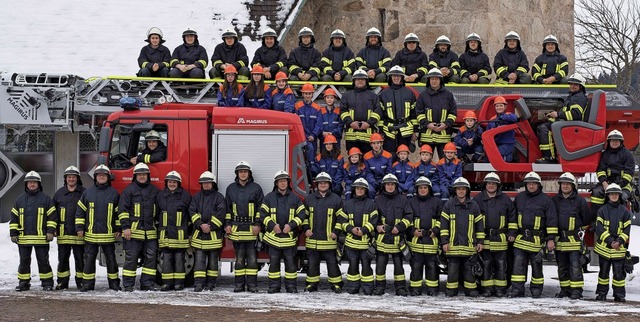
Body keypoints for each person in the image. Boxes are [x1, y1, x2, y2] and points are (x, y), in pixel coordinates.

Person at [509, 171, 557, 298]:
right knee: (518, 266)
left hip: (536, 239)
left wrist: (550, 239)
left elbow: (551, 220)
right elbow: (513, 217)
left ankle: (536, 291)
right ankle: (517, 290)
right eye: (529, 184)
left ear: (538, 185)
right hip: (520, 238)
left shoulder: (546, 200)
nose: (531, 186)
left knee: (537, 266)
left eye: (533, 184)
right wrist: (512, 233)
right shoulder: (520, 198)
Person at [75, 165, 121, 292]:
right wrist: (79, 227)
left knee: (111, 260)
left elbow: (118, 214)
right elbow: (80, 212)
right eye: (99, 175)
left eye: (104, 175)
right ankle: (88, 284)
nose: (101, 177)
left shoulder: (114, 193)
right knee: (89, 260)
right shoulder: (88, 193)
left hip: (108, 235)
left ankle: (114, 284)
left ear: (108, 177)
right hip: (90, 234)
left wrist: (118, 228)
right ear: (95, 177)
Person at [258, 170, 305, 294]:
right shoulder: (269, 197)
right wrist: (272, 225)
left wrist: (291, 225)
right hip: (273, 238)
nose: (283, 183)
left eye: (284, 181)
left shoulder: (295, 198)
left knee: (291, 265)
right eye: (280, 181)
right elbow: (262, 214)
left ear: (288, 183)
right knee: (274, 265)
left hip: (289, 238)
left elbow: (302, 214)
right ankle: (274, 287)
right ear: (276, 183)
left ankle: (291, 287)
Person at [10, 171, 57, 292]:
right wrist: (13, 233)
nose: (32, 184)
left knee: (43, 261)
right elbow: (14, 217)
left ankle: (47, 283)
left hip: (41, 238)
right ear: (26, 184)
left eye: (34, 182)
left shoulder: (46, 199)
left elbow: (52, 217)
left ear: (38, 184)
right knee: (24, 261)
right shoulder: (19, 200)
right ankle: (23, 283)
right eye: (30, 182)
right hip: (24, 238)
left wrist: (50, 231)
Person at [472, 172, 516, 297]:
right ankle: (486, 289)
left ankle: (500, 289)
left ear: (498, 185)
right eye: (489, 183)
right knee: (486, 264)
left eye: (493, 184)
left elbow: (512, 216)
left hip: (501, 238)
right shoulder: (478, 200)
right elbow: (473, 219)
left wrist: (512, 232)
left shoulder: (505, 199)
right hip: (484, 238)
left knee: (501, 264)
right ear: (485, 184)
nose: (491, 186)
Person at [119, 163, 160, 292]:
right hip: (133, 232)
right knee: (131, 259)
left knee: (151, 259)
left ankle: (147, 284)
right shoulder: (128, 191)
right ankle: (128, 285)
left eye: (144, 174)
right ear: (135, 176)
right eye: (139, 174)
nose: (142, 176)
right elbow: (122, 211)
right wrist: (125, 228)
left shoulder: (154, 191)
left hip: (150, 232)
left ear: (148, 176)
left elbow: (159, 211)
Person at [224, 161, 264, 293]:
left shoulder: (256, 188)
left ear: (249, 173)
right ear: (237, 174)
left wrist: (258, 224)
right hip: (237, 227)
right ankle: (239, 285)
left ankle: (252, 285)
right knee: (239, 258)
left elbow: (260, 208)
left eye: (245, 171)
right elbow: (227, 209)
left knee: (252, 259)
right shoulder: (230, 188)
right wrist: (227, 224)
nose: (243, 174)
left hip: (252, 228)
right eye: (240, 171)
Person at [441, 177, 484, 297]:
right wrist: (444, 242)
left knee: (469, 270)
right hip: (453, 246)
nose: (461, 191)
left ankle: (470, 290)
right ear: (455, 191)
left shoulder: (473, 205)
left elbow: (479, 225)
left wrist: (480, 241)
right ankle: (451, 290)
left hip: (469, 246)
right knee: (453, 270)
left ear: (467, 191)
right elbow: (444, 226)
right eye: (458, 189)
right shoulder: (448, 205)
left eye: (463, 189)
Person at [302, 172, 344, 293]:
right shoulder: (309, 199)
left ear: (329, 184)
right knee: (312, 264)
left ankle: (336, 284)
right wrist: (306, 229)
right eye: (321, 183)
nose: (323, 185)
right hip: (313, 240)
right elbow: (303, 216)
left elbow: (341, 218)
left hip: (329, 240)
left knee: (332, 263)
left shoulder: (336, 199)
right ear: (317, 185)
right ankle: (311, 284)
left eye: (325, 183)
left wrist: (336, 232)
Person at [552, 172, 590, 300]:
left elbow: (586, 220)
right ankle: (565, 290)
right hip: (560, 240)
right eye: (563, 184)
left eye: (568, 184)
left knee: (575, 267)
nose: (565, 186)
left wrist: (578, 232)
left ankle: (576, 291)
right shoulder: (555, 201)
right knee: (562, 267)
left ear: (573, 186)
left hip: (574, 240)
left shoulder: (580, 201)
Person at [373, 174, 413, 296]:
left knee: (398, 265)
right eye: (388, 184)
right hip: (382, 237)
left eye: (392, 184)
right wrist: (377, 226)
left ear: (396, 185)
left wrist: (400, 227)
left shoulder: (403, 199)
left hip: (397, 237)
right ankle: (379, 287)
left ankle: (400, 287)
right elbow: (373, 216)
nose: (390, 187)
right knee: (380, 265)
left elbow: (409, 215)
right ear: (384, 186)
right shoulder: (378, 199)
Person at [337, 178, 378, 295]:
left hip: (366, 242)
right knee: (353, 265)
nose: (360, 190)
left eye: (362, 189)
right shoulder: (347, 204)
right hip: (351, 243)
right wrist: (351, 229)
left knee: (366, 266)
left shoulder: (372, 204)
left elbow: (374, 220)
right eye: (358, 188)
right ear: (354, 190)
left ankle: (367, 287)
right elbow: (342, 221)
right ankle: (353, 287)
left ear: (366, 190)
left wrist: (364, 230)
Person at [536, 73, 588, 163]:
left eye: (575, 84)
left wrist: (558, 115)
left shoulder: (578, 98)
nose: (572, 86)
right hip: (568, 123)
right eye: (571, 84)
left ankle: (549, 158)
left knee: (544, 128)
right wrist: (551, 117)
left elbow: (576, 115)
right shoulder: (573, 96)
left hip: (573, 125)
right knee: (542, 125)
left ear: (581, 86)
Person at [189, 171, 227, 292]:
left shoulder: (219, 197)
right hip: (200, 234)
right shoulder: (197, 197)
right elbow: (192, 212)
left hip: (214, 235)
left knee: (212, 262)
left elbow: (221, 214)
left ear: (212, 184)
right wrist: (201, 225)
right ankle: (198, 284)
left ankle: (211, 283)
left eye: (208, 183)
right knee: (199, 261)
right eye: (204, 183)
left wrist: (210, 226)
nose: (206, 185)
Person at [594, 183, 631, 302]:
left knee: (619, 274)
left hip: (618, 249)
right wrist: (610, 241)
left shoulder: (625, 212)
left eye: (616, 194)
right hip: (605, 247)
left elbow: (627, 230)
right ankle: (601, 293)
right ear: (608, 195)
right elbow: (599, 228)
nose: (614, 196)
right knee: (603, 273)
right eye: (611, 194)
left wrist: (619, 242)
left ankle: (619, 294)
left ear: (619, 196)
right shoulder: (602, 210)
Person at [156, 171, 192, 291]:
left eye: (174, 182)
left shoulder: (185, 196)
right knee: (166, 259)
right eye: (170, 182)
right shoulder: (160, 195)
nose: (172, 184)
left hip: (180, 234)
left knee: (179, 259)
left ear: (178, 183)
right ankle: (167, 283)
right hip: (165, 233)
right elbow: (156, 213)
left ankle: (179, 283)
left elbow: (189, 214)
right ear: (166, 183)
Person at [407, 177, 442, 296]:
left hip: (431, 240)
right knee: (416, 266)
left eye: (425, 188)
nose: (422, 190)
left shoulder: (436, 202)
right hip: (416, 241)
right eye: (420, 188)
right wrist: (412, 231)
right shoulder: (411, 202)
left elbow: (441, 219)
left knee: (432, 265)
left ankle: (432, 289)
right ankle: (415, 289)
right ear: (416, 189)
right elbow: (407, 218)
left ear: (429, 189)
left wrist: (436, 230)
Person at [591, 129, 636, 220]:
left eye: (617, 140)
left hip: (623, 184)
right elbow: (600, 170)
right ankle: (596, 220)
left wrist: (618, 186)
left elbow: (629, 173)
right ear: (609, 142)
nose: (614, 142)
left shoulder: (627, 155)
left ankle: (620, 221)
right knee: (596, 193)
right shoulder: (605, 155)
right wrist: (604, 183)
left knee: (622, 197)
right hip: (607, 183)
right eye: (612, 140)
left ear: (621, 142)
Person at [53, 166, 86, 290]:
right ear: (65, 179)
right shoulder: (59, 193)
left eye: (73, 177)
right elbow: (53, 213)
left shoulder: (84, 192)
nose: (71, 179)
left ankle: (81, 282)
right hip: (63, 233)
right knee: (62, 260)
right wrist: (54, 228)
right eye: (69, 177)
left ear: (77, 178)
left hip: (79, 234)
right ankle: (62, 282)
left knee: (80, 259)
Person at [416, 68, 457, 158]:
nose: (434, 81)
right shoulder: (423, 95)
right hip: (427, 135)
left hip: (444, 135)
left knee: (444, 163)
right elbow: (419, 113)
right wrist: (427, 124)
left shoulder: (448, 95)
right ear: (429, 81)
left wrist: (446, 124)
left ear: (440, 80)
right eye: (432, 79)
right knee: (426, 163)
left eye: (436, 79)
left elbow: (453, 113)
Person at [378, 65, 418, 156]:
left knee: (403, 156)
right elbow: (380, 113)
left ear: (402, 77)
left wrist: (414, 131)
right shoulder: (383, 93)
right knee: (389, 156)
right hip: (388, 130)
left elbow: (414, 113)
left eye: (398, 76)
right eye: (394, 76)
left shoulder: (409, 93)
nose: (396, 78)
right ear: (390, 77)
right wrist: (381, 131)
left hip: (406, 130)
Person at [340, 69, 381, 153]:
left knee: (367, 160)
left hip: (368, 134)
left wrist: (369, 123)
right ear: (354, 81)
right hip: (351, 135)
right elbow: (343, 111)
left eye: (362, 79)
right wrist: (350, 122)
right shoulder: (346, 95)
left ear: (366, 81)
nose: (360, 81)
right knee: (353, 160)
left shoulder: (373, 95)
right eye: (358, 79)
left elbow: (378, 111)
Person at [295, 83, 323, 163]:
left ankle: (311, 174)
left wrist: (313, 135)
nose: (307, 96)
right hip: (300, 137)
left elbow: (319, 124)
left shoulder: (317, 108)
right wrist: (301, 135)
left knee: (311, 158)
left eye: (309, 94)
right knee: (300, 159)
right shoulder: (297, 106)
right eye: (306, 93)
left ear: (312, 94)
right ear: (302, 94)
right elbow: (296, 123)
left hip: (312, 138)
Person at [486, 96, 518, 162]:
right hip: (496, 144)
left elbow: (515, 118)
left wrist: (502, 117)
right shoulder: (492, 120)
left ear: (505, 107)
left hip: (508, 143)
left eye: (501, 105)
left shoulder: (509, 115)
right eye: (497, 106)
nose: (499, 107)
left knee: (499, 155)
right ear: (495, 107)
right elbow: (487, 132)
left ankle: (511, 157)